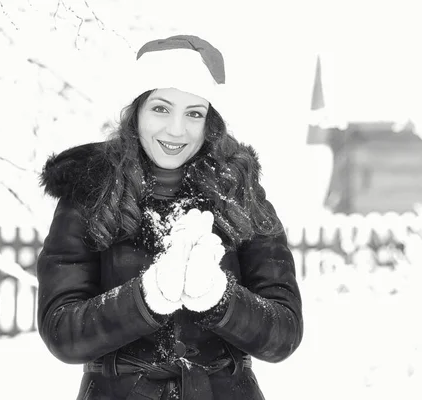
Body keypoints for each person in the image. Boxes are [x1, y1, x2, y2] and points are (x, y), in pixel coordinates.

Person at [37, 34, 303, 400]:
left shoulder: (240, 194)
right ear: (136, 112)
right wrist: (147, 297)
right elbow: (62, 332)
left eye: (194, 113)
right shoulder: (89, 192)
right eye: (161, 108)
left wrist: (218, 296)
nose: (176, 130)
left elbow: (283, 334)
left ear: (211, 121)